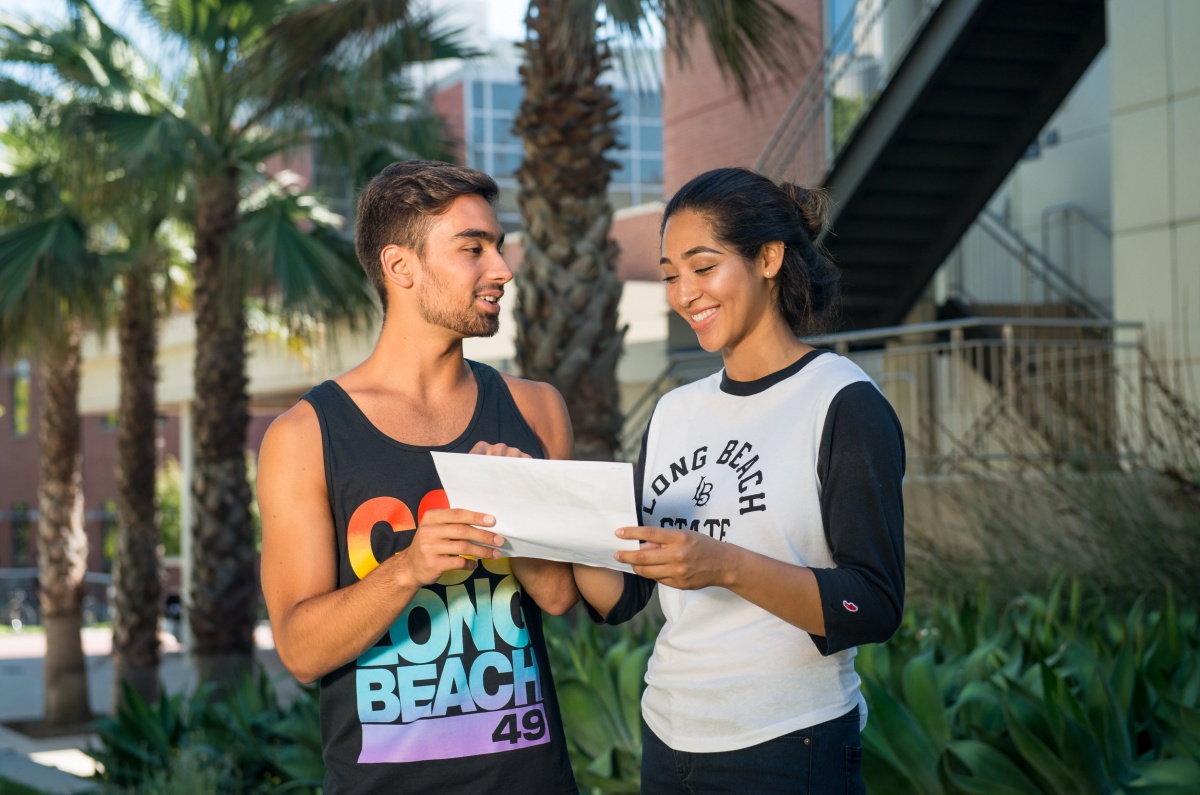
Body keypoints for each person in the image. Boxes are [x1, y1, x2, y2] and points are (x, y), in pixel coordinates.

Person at [573, 167, 906, 794]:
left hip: (788, 742)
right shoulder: (675, 409)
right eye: (671, 275)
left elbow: (874, 605)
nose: (685, 292)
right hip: (668, 736)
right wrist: (531, 515)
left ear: (769, 258)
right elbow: (623, 595)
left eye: (703, 267)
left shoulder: (841, 402)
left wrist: (726, 566)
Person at [257, 160, 579, 794]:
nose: (502, 271)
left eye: (499, 247)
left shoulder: (537, 409)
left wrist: (518, 517)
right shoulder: (304, 435)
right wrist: (409, 566)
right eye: (472, 249)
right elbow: (299, 650)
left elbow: (561, 598)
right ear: (400, 267)